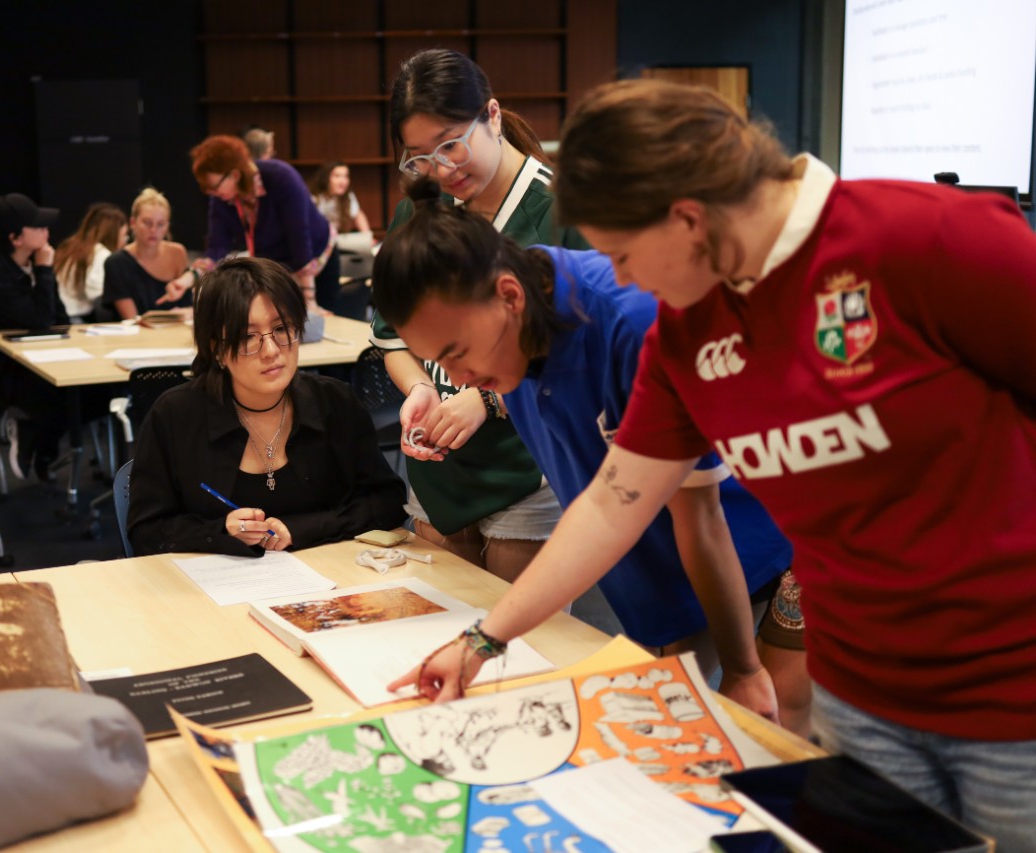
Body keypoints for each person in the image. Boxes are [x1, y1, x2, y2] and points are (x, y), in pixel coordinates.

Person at [409, 79, 1036, 848]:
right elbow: (612, 501)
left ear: (688, 217)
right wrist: (483, 639)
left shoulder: (925, 238)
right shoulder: (689, 326)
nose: (623, 277)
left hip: (1012, 694)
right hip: (862, 694)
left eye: (623, 253)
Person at [372, 177, 794, 721]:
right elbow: (602, 509)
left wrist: (743, 669)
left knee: (777, 725)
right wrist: (480, 643)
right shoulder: (513, 329)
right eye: (439, 360)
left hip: (754, 545)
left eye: (458, 353)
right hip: (654, 561)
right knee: (667, 718)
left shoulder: (629, 323)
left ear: (509, 296)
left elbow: (700, 517)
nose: (457, 378)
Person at [369, 49, 589, 584]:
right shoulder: (420, 208)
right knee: (441, 618)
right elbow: (392, 334)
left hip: (530, 470)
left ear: (492, 115)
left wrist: (488, 399)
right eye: (419, 157)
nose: (442, 169)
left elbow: (582, 363)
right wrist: (421, 387)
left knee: (519, 631)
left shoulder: (564, 213)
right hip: (439, 471)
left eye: (451, 144)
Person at [127, 257, 407, 557]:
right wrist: (220, 532)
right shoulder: (176, 415)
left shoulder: (334, 403)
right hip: (214, 582)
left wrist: (301, 529)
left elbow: (386, 502)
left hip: (328, 575)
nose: (271, 351)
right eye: (248, 337)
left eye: (282, 328)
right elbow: (146, 531)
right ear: (216, 349)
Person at [0, 192, 70, 479]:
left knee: (90, 393)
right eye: (37, 227)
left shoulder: (34, 263)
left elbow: (59, 319)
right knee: (59, 396)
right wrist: (45, 271)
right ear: (15, 238)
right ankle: (33, 439)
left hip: (40, 356)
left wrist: (44, 272)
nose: (46, 231)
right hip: (6, 368)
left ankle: (42, 447)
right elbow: (41, 320)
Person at [191, 135, 341, 316]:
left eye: (213, 186)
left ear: (235, 175)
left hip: (316, 256)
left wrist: (309, 297)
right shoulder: (221, 198)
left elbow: (299, 236)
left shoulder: (280, 177)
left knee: (319, 320)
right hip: (279, 266)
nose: (210, 192)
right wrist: (192, 276)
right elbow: (217, 246)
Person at [103, 187, 192, 320]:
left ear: (167, 226)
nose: (153, 230)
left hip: (178, 330)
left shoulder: (178, 253)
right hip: (137, 332)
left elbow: (190, 307)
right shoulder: (116, 263)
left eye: (160, 224)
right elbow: (132, 319)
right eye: (147, 223)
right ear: (133, 223)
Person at [54, 202, 128, 323]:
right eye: (124, 236)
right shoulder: (101, 254)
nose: (125, 242)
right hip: (74, 319)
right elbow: (96, 292)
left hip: (58, 315)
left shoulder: (68, 247)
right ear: (113, 234)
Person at [311, 161, 371, 234]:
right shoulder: (314, 197)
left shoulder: (347, 196)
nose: (343, 181)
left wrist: (368, 236)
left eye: (346, 176)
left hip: (339, 236)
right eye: (337, 176)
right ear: (325, 178)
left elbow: (357, 215)